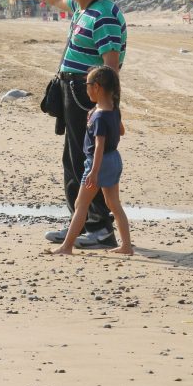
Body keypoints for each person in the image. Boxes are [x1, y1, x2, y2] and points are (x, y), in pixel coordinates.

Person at [11, 0, 127, 249]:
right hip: (76, 90)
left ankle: (99, 229)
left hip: (88, 94)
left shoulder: (102, 15)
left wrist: (109, 107)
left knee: (85, 161)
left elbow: (110, 66)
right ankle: (81, 222)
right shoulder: (84, 6)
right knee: (73, 159)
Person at [52, 66, 132, 255]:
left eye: (86, 84)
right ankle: (126, 246)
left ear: (96, 87)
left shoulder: (99, 117)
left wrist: (94, 172)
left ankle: (67, 246)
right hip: (114, 160)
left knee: (81, 204)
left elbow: (99, 147)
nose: (85, 88)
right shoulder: (112, 109)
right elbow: (121, 131)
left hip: (99, 163)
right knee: (114, 204)